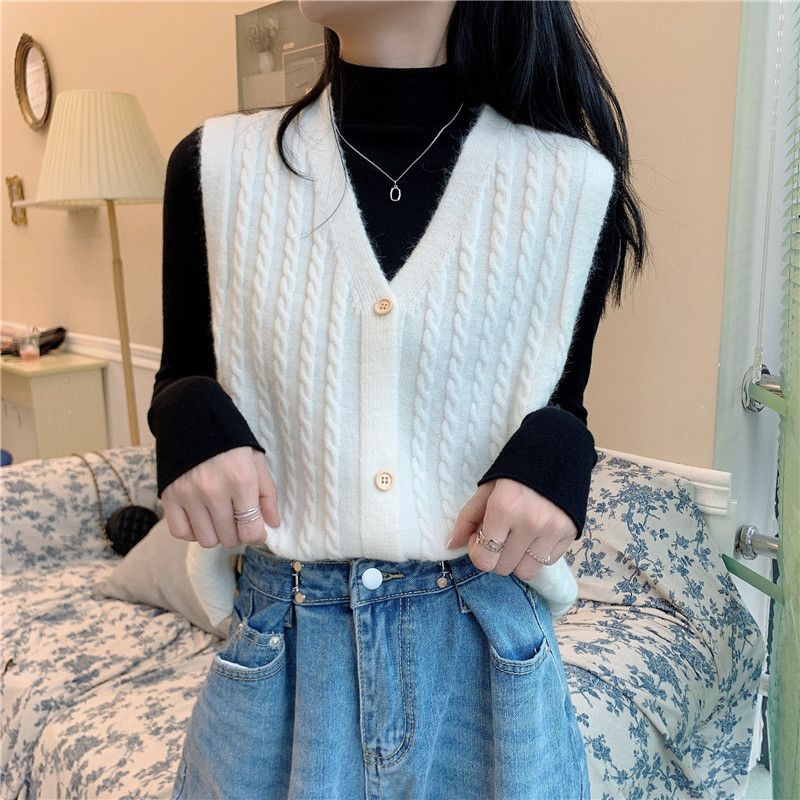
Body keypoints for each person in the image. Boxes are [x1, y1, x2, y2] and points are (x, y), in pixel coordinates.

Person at [150, 2, 648, 798]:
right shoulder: (215, 166)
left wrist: (563, 451)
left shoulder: (572, 184)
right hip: (283, 644)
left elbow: (561, 403)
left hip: (484, 647)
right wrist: (182, 416)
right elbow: (184, 374)